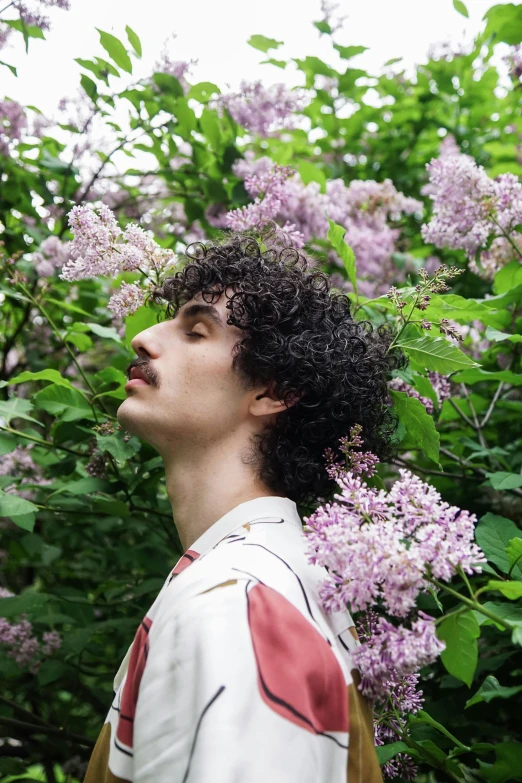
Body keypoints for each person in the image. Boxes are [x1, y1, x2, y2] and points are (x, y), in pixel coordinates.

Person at [83, 231, 401, 783]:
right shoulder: (282, 584)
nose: (141, 338)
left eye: (196, 330)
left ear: (272, 392)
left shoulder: (235, 604)